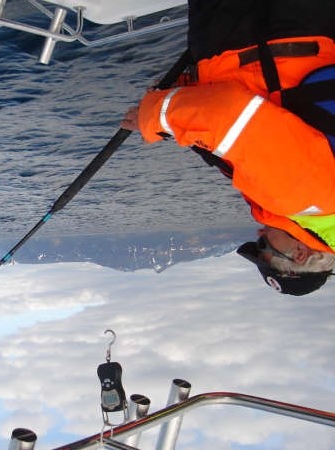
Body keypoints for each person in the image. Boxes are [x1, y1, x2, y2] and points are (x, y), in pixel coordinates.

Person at [120, 0, 335, 296]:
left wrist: (187, 93)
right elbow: (230, 115)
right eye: (265, 247)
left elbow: (270, 114)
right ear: (300, 254)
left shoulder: (320, 208)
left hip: (292, 34)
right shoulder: (300, 198)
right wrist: (156, 116)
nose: (260, 235)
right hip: (257, 30)